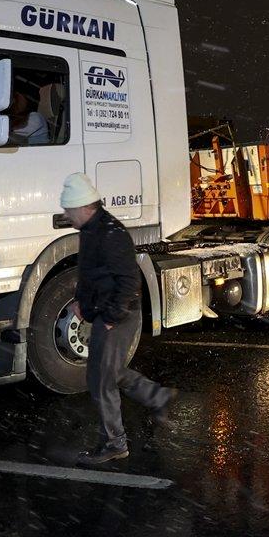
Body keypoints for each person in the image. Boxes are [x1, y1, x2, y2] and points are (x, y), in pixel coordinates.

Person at [60, 172, 177, 466]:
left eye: (69, 210)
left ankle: (115, 444)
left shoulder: (111, 234)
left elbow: (128, 281)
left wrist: (111, 317)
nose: (66, 215)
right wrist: (81, 304)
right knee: (105, 374)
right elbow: (89, 274)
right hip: (106, 312)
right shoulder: (92, 230)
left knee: (102, 379)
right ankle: (156, 396)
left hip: (118, 316)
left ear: (85, 207)